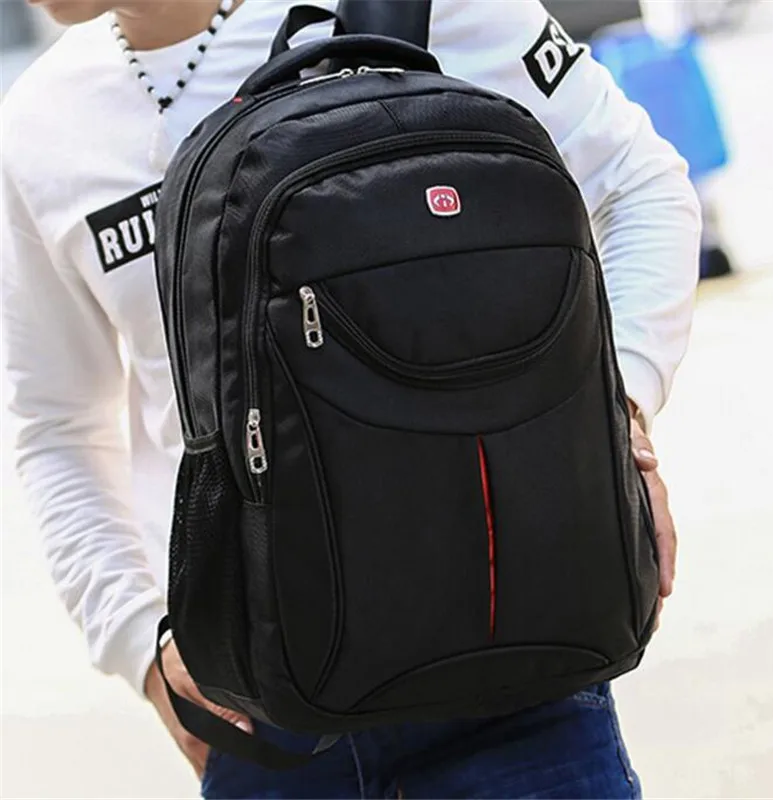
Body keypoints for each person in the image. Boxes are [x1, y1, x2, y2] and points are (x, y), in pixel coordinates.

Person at [0, 0, 699, 796]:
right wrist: (138, 643)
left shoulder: (419, 6)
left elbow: (641, 186)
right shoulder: (42, 124)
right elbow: (56, 425)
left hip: (511, 649)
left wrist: (622, 415)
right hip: (264, 709)